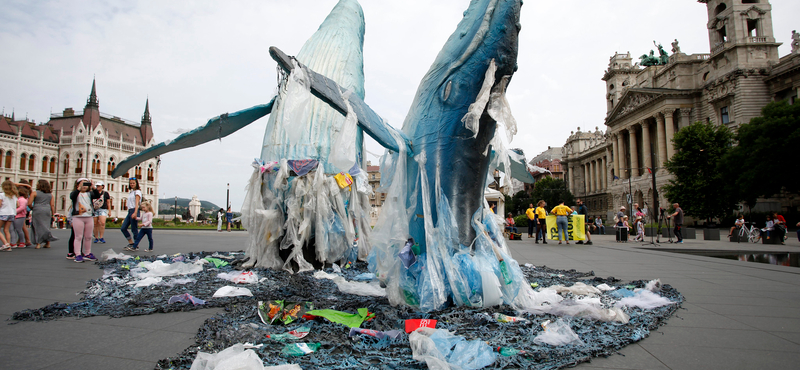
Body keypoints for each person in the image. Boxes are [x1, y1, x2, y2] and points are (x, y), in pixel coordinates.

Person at [70, 178, 101, 263]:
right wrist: (79, 189)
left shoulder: (90, 194)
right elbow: (72, 197)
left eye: (86, 184)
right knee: (78, 237)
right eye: (82, 184)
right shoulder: (76, 193)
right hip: (78, 216)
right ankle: (78, 254)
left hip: (89, 216)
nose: (84, 186)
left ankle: (88, 253)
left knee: (88, 236)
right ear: (78, 185)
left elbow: (97, 195)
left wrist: (93, 187)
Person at [29, 180, 57, 249]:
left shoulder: (35, 193)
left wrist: (32, 208)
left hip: (37, 209)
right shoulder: (50, 194)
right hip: (47, 210)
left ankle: (38, 243)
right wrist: (53, 214)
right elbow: (52, 205)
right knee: (46, 226)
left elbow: (29, 203)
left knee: (37, 226)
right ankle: (48, 243)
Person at [122, 178, 142, 250]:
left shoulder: (137, 192)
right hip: (130, 210)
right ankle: (131, 243)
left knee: (134, 229)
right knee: (123, 228)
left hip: (134, 210)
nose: (132, 184)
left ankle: (136, 245)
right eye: (131, 183)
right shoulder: (131, 192)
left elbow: (137, 203)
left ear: (136, 183)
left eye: (133, 183)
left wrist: (135, 212)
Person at [0, 180, 19, 251]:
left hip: (3, 213)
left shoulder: (2, 195)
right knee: (6, 230)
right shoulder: (14, 196)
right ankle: (9, 246)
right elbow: (18, 205)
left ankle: (6, 244)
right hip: (12, 214)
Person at [12, 183, 32, 248]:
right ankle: (15, 241)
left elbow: (22, 207)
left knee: (19, 229)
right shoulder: (20, 199)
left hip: (20, 216)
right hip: (18, 216)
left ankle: (22, 242)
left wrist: (14, 211)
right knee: (15, 229)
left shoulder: (22, 199)